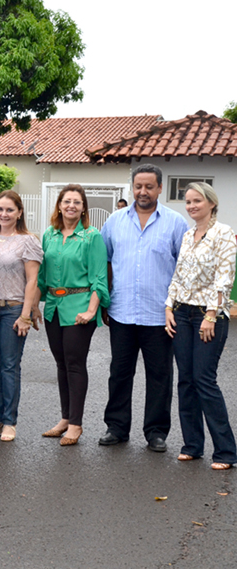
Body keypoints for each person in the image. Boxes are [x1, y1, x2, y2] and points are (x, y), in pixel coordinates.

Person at [98, 165, 188, 452]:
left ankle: (156, 432)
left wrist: (174, 307)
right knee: (119, 373)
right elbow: (105, 262)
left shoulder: (176, 223)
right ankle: (116, 427)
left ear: (160, 188)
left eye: (149, 186)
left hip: (159, 315)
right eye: (138, 186)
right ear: (132, 187)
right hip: (122, 311)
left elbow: (182, 269)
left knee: (160, 375)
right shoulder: (114, 222)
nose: (143, 192)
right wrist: (105, 301)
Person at [165, 182, 237, 470]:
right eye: (188, 202)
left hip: (209, 317)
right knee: (186, 380)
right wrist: (168, 307)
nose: (192, 206)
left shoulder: (224, 234)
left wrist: (210, 314)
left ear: (211, 203)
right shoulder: (186, 236)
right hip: (182, 313)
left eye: (197, 201)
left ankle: (226, 452)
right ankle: (192, 445)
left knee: (204, 380)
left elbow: (224, 278)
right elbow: (179, 275)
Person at [39, 184, 109, 446]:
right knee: (61, 364)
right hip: (53, 308)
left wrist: (92, 310)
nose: (71, 206)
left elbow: (99, 278)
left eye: (77, 202)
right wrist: (33, 307)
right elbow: (41, 276)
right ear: (59, 205)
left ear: (83, 208)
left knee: (75, 363)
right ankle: (65, 418)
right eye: (67, 201)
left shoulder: (92, 237)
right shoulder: (49, 235)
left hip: (79, 306)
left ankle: (76, 425)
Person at [0, 190, 43, 442]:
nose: (3, 214)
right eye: (0, 209)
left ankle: (9, 422)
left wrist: (25, 315)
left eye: (9, 210)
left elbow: (32, 280)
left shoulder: (28, 241)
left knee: (9, 366)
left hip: (12, 310)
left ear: (19, 213)